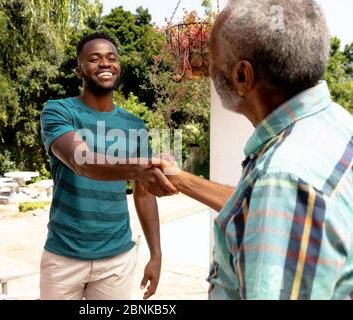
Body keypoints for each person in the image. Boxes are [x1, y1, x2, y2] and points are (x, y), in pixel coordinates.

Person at [152, 0, 353, 299]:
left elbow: (276, 198)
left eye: (211, 58)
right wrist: (180, 179)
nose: (207, 68)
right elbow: (251, 207)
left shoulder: (283, 181)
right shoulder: (333, 123)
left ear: (242, 77)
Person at [39, 32, 177, 300]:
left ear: (119, 68)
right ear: (79, 71)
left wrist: (156, 254)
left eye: (111, 58)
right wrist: (140, 167)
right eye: (94, 59)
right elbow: (82, 162)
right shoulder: (58, 111)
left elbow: (144, 193)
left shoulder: (135, 126)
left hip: (117, 259)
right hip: (64, 257)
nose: (104, 64)